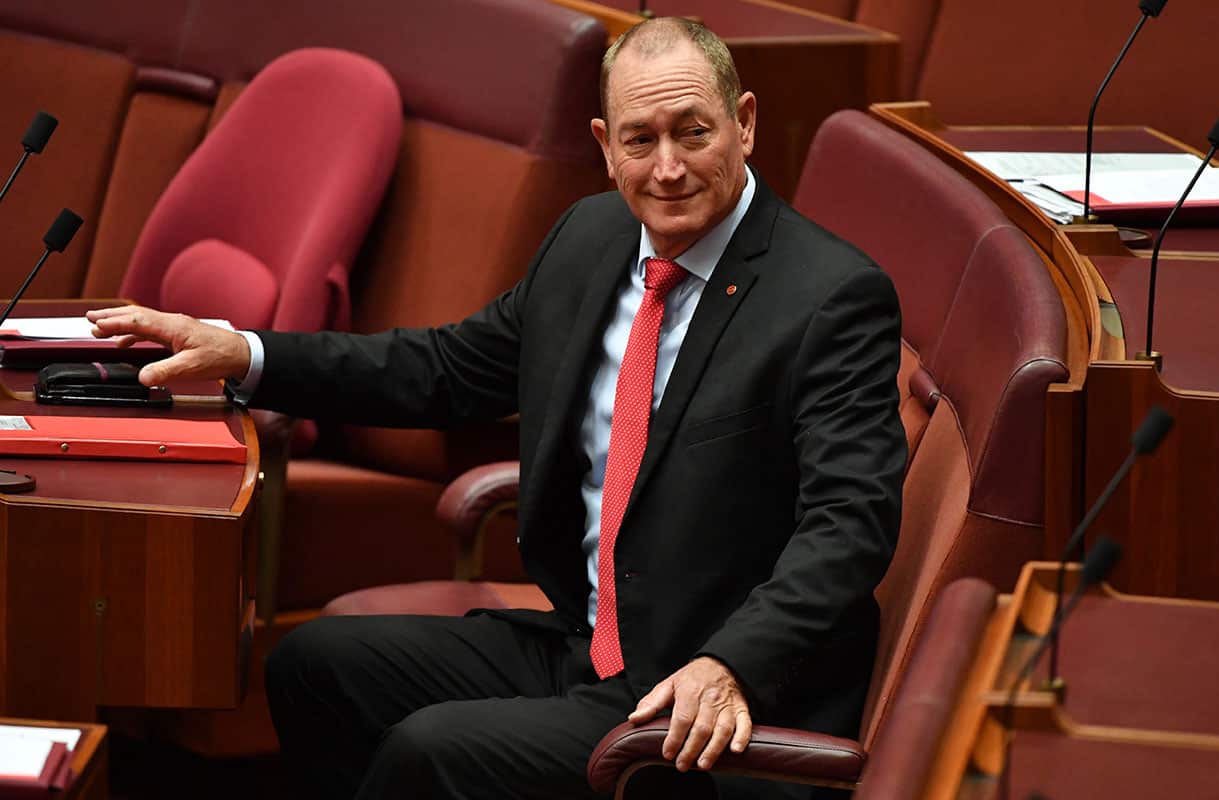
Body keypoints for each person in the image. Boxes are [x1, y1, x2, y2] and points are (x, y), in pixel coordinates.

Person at [88, 17, 905, 800]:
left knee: (431, 752)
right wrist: (247, 354)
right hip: (587, 647)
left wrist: (733, 664)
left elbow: (850, 523)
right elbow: (443, 369)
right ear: (604, 146)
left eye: (693, 133)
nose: (667, 169)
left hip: (702, 691)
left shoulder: (830, 297)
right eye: (639, 140)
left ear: (744, 123)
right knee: (315, 666)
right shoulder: (591, 238)